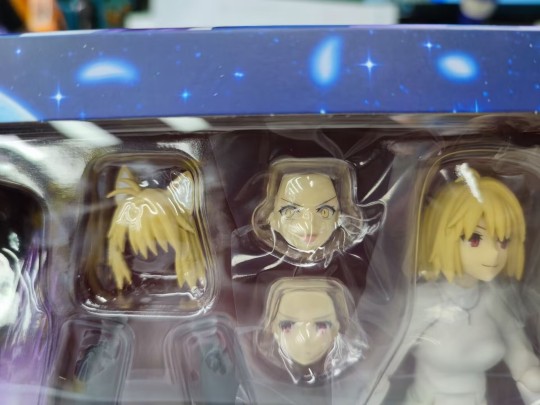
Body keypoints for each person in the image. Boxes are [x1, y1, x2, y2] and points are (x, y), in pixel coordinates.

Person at [375, 164, 540, 405]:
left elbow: (521, 355)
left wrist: (532, 379)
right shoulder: (424, 300)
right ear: (443, 235)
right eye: (474, 239)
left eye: (503, 241)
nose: (495, 253)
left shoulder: (495, 298)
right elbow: (385, 363)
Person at [232, 158, 382, 325]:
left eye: (324, 211)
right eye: (290, 211)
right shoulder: (253, 261)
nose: (309, 225)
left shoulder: (362, 265)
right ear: (271, 218)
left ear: (340, 216)